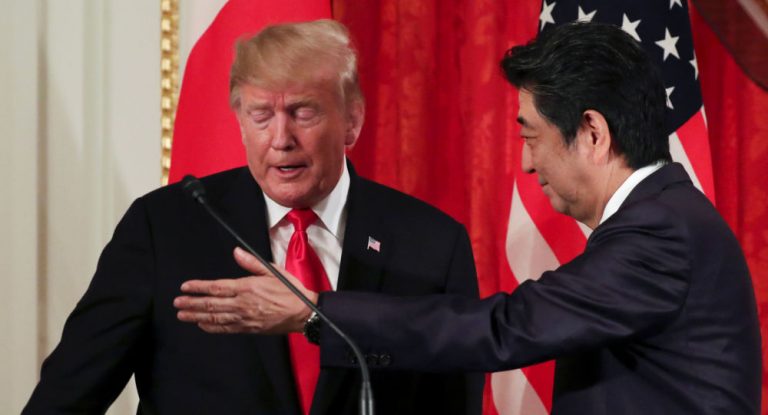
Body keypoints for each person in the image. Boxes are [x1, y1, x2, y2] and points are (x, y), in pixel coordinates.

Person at [175, 22, 762, 414]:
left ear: (592, 132)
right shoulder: (664, 219)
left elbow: (504, 330)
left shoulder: (660, 234)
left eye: (531, 136)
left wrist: (315, 312)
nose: (527, 163)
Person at [24, 19, 483, 415]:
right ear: (240, 120)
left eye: (303, 112)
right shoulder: (164, 229)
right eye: (261, 114)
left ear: (352, 120)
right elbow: (66, 398)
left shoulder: (432, 245)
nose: (281, 139)